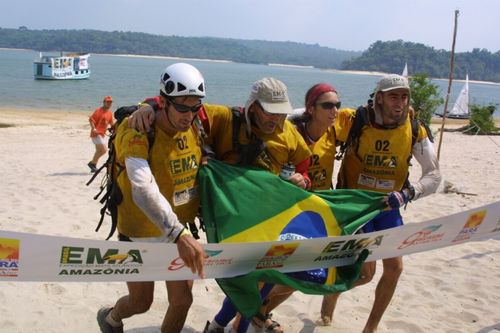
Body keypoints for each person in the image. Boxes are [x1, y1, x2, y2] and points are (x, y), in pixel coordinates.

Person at [129, 77, 313, 333]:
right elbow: (183, 107)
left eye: (281, 112)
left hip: (271, 220)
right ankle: (221, 324)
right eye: (270, 112)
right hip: (233, 224)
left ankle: (219, 325)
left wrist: (303, 180)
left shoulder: (289, 133)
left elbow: (305, 168)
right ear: (252, 106)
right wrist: (148, 105)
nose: (276, 119)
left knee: (266, 278)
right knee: (244, 283)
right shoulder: (225, 119)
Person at [320, 74, 442, 332]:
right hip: (356, 207)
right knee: (365, 275)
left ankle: (371, 328)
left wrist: (409, 193)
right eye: (393, 96)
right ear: (379, 98)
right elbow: (313, 118)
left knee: (395, 268)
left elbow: (434, 175)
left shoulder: (414, 128)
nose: (400, 102)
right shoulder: (356, 120)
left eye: (404, 96)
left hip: (389, 205)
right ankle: (329, 299)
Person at [96, 63, 206, 333]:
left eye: (195, 106)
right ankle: (110, 317)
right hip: (140, 232)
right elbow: (142, 188)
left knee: (182, 301)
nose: (189, 114)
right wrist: (179, 234)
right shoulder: (137, 129)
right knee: (141, 302)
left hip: (177, 229)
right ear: (164, 101)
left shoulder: (194, 122)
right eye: (181, 106)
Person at [246, 83, 341, 332]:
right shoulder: (291, 128)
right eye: (328, 105)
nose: (334, 110)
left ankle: (260, 313)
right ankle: (240, 318)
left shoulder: (339, 127)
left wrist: (407, 110)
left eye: (337, 105)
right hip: (285, 214)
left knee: (297, 275)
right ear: (311, 108)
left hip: (317, 213)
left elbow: (370, 114)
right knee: (270, 273)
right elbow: (278, 115)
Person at [88, 95, 115, 172]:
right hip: (96, 134)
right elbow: (91, 120)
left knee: (98, 150)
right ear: (104, 102)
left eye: (110, 102)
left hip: (102, 134)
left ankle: (94, 167)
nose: (109, 104)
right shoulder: (98, 110)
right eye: (107, 102)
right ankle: (92, 163)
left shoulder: (110, 113)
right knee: (103, 150)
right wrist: (94, 128)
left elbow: (111, 123)